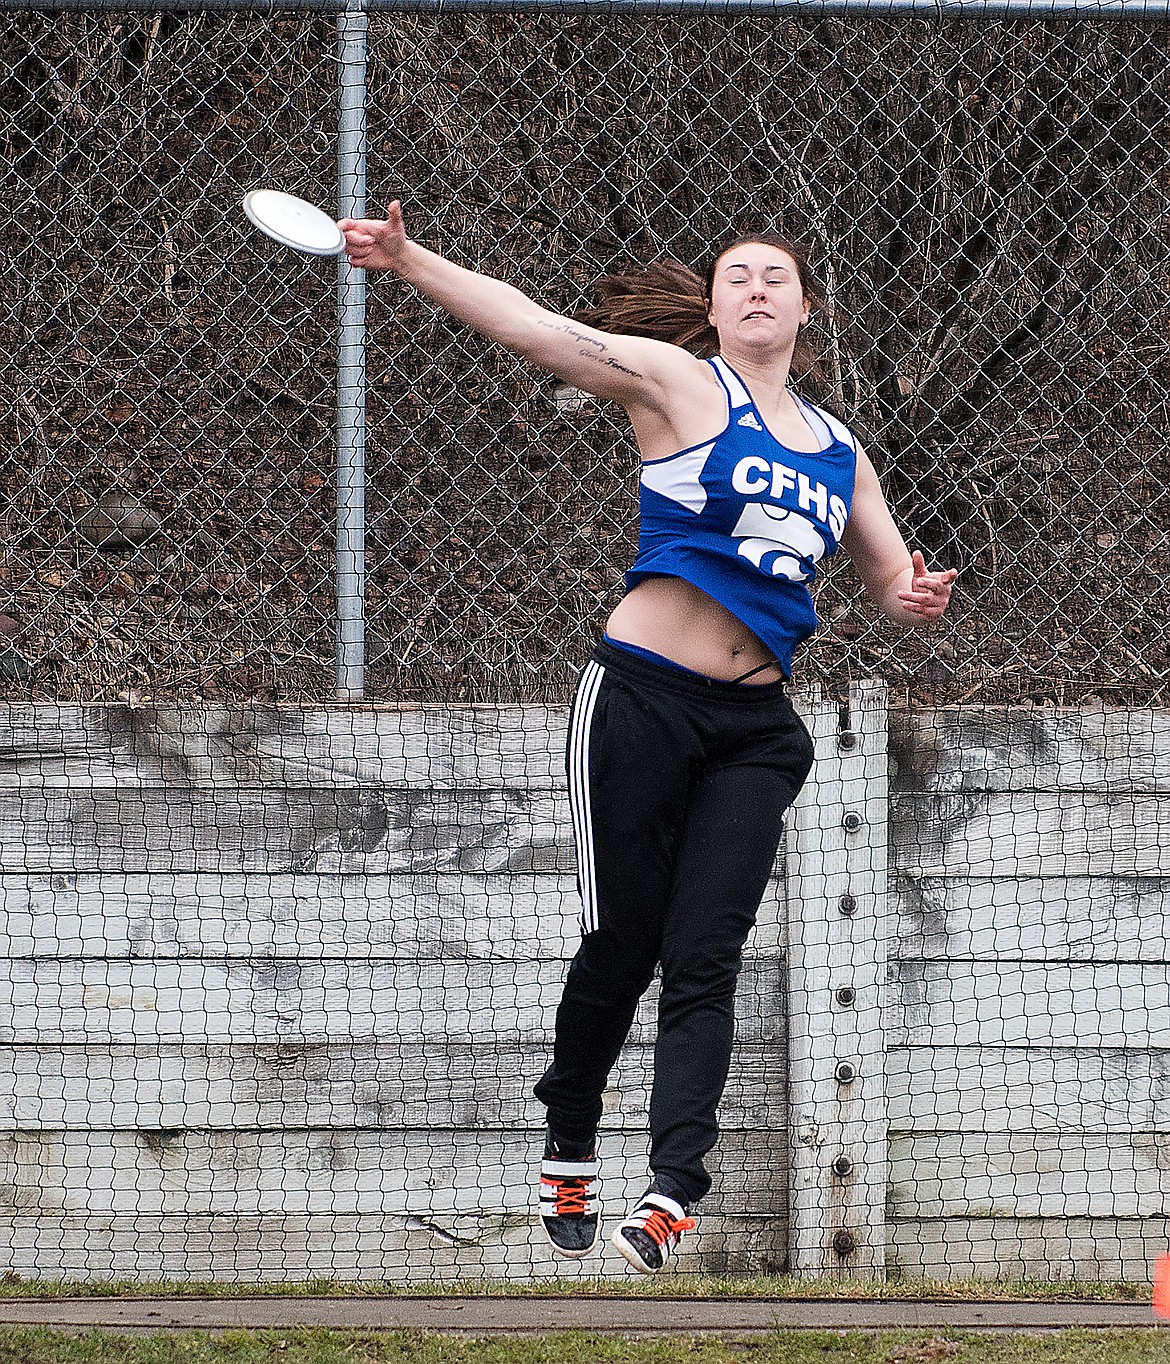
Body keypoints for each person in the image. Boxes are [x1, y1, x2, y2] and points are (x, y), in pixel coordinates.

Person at [340, 205, 957, 1274]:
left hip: (755, 731)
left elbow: (888, 573)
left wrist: (912, 594)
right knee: (621, 944)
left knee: (705, 956)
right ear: (713, 308)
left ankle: (674, 1184)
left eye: (778, 276)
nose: (758, 287)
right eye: (738, 277)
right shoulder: (679, 388)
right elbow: (534, 327)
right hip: (638, 701)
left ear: (807, 308)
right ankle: (569, 1125)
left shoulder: (840, 449)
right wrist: (406, 259)